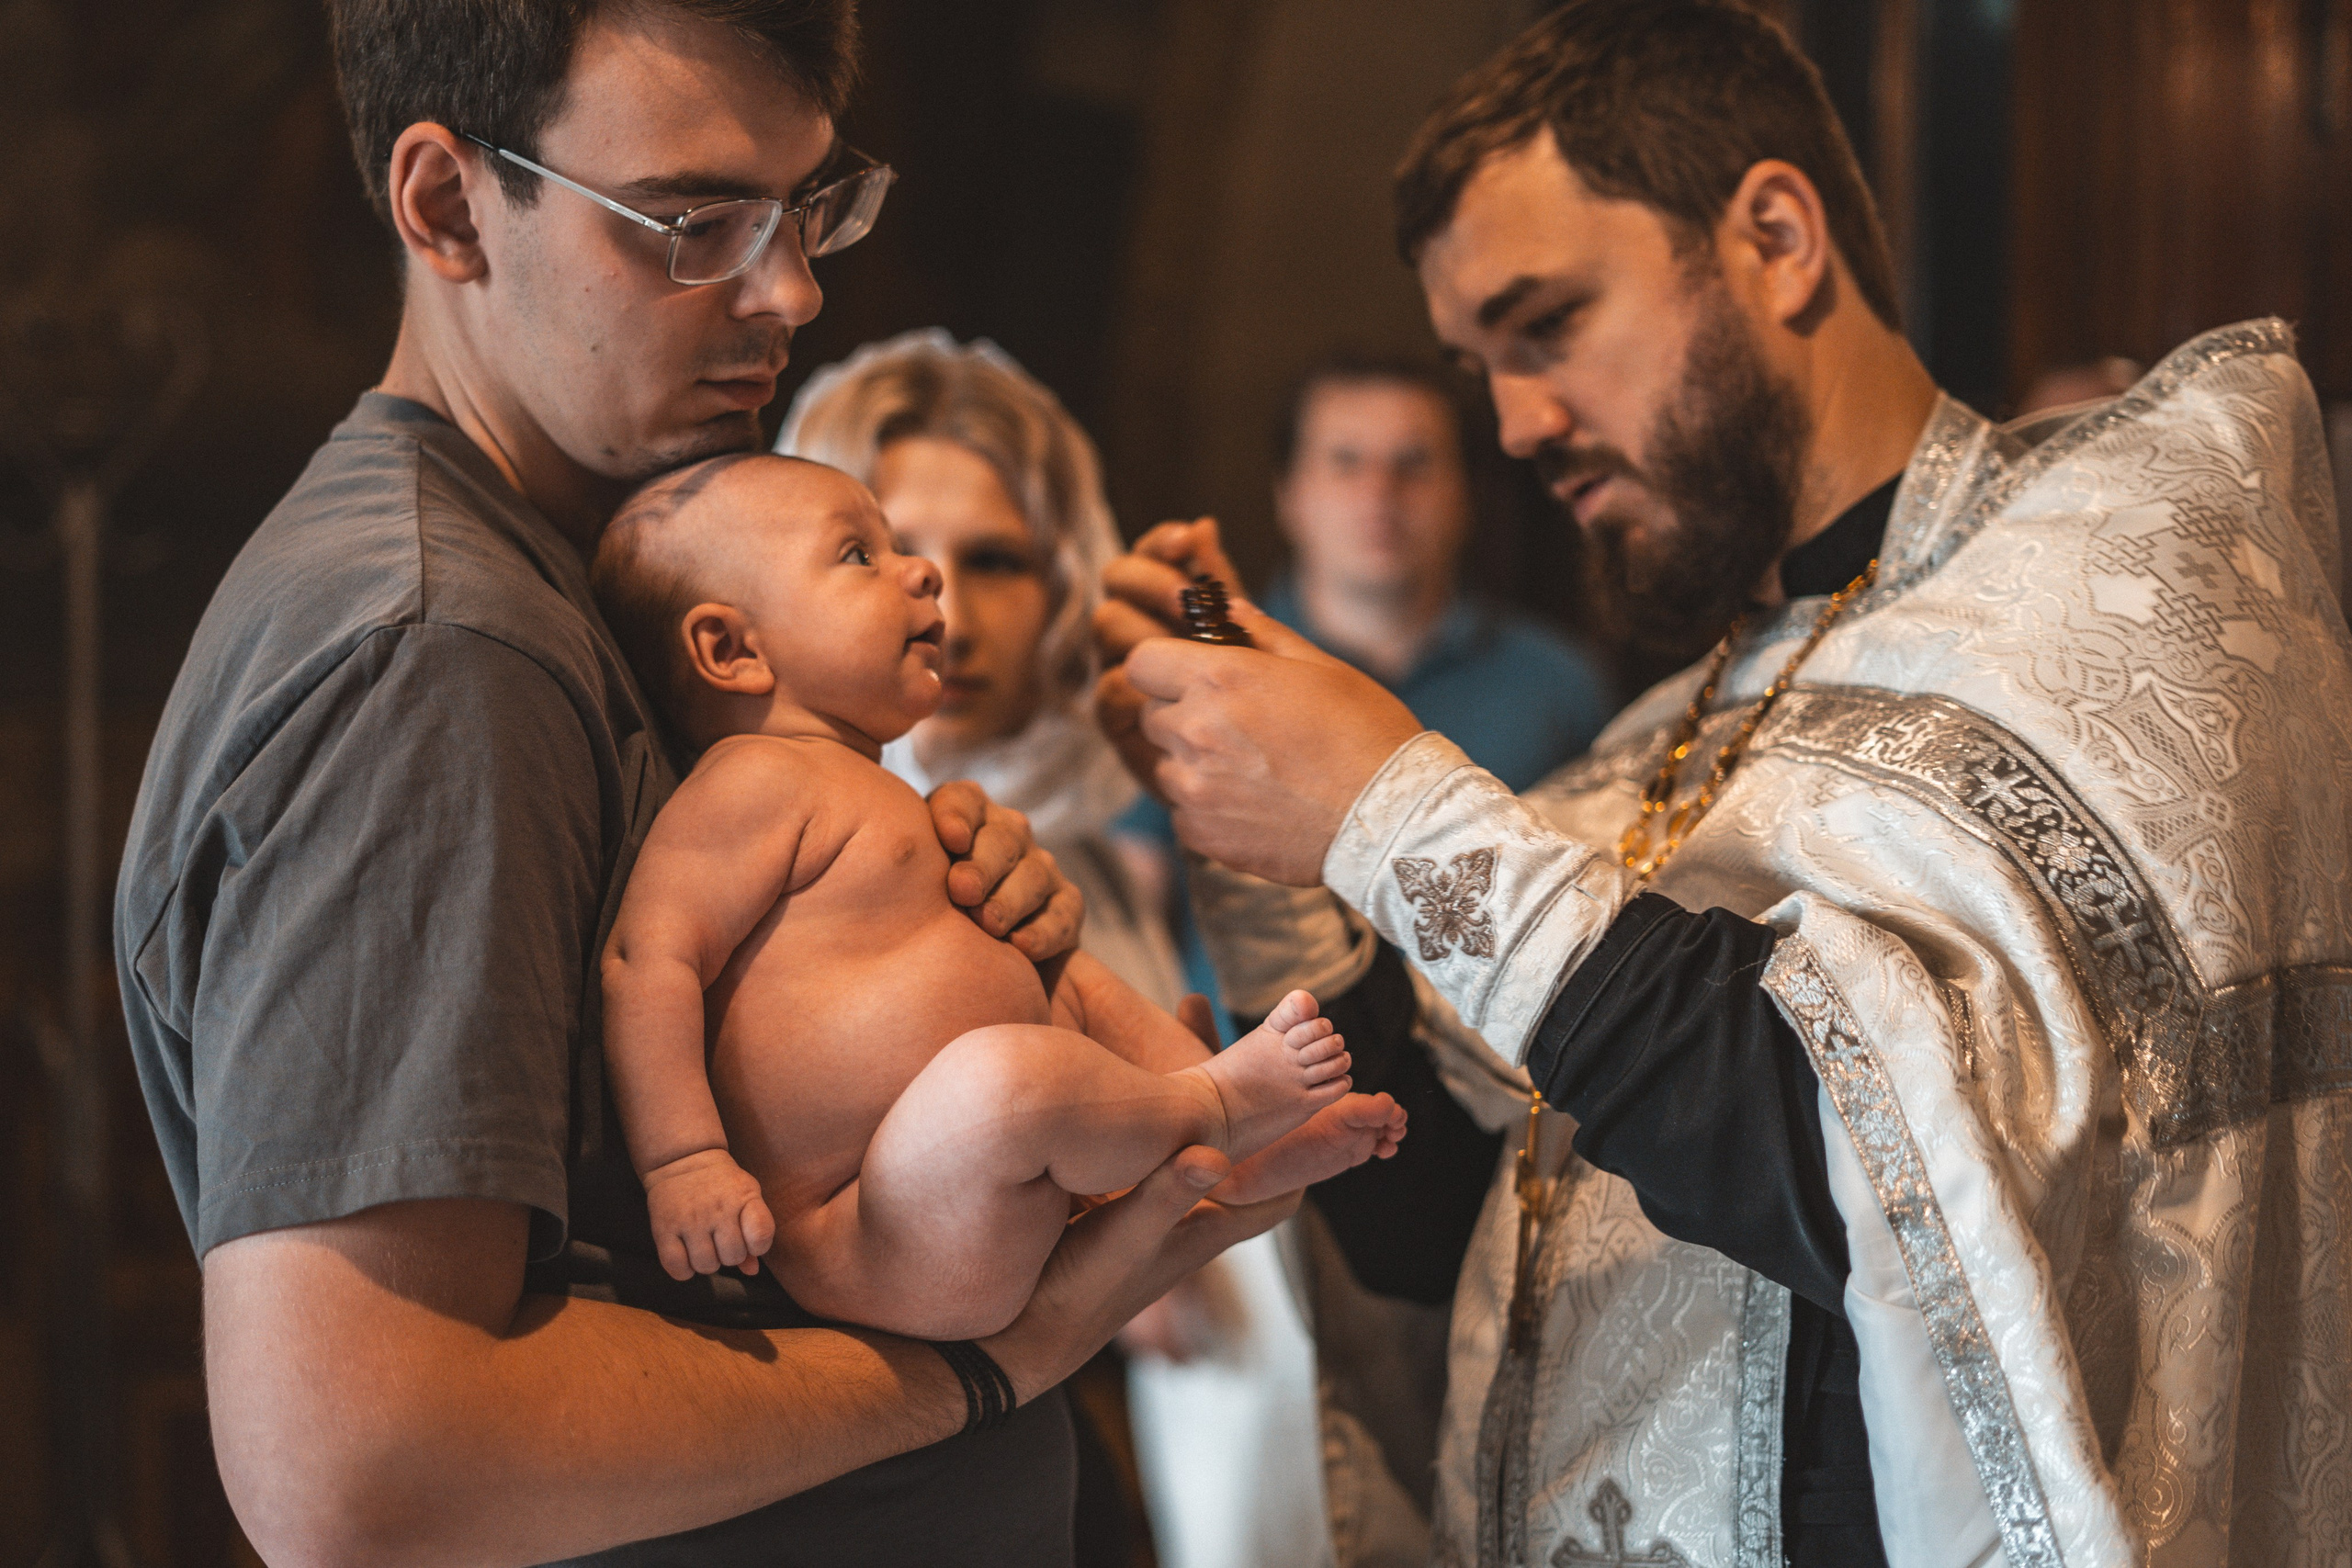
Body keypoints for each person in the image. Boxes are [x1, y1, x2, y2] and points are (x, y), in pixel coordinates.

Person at [1097, 4, 2352, 1566]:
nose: (1514, 426)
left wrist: (1382, 805)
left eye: (1545, 325)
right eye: (1478, 366)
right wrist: (1273, 849)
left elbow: (1894, 1180)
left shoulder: (2125, 590)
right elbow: (1433, 1232)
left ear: (1774, 235)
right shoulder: (1670, 733)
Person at [112, 6, 1306, 1564]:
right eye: (689, 223)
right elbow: (364, 1460)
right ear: (448, 205)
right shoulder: (440, 654)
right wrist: (977, 1372)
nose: (793, 291)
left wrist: (938, 938)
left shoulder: (570, 582)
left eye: (810, 207)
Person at [590, 451, 1408, 1326]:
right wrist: (684, 1160)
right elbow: (647, 961)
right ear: (733, 649)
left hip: (986, 1178)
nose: (922, 570)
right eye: (859, 555)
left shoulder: (874, 786)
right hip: (873, 1226)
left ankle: (1230, 1134)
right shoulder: (747, 781)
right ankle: (1207, 1105)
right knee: (1000, 1077)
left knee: (1065, 973)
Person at [1263, 353, 1611, 790]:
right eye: (1345, 462)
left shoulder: (1559, 686)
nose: (1379, 493)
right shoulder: (1219, 672)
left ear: (1463, 494)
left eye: (1414, 462)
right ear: (1288, 495)